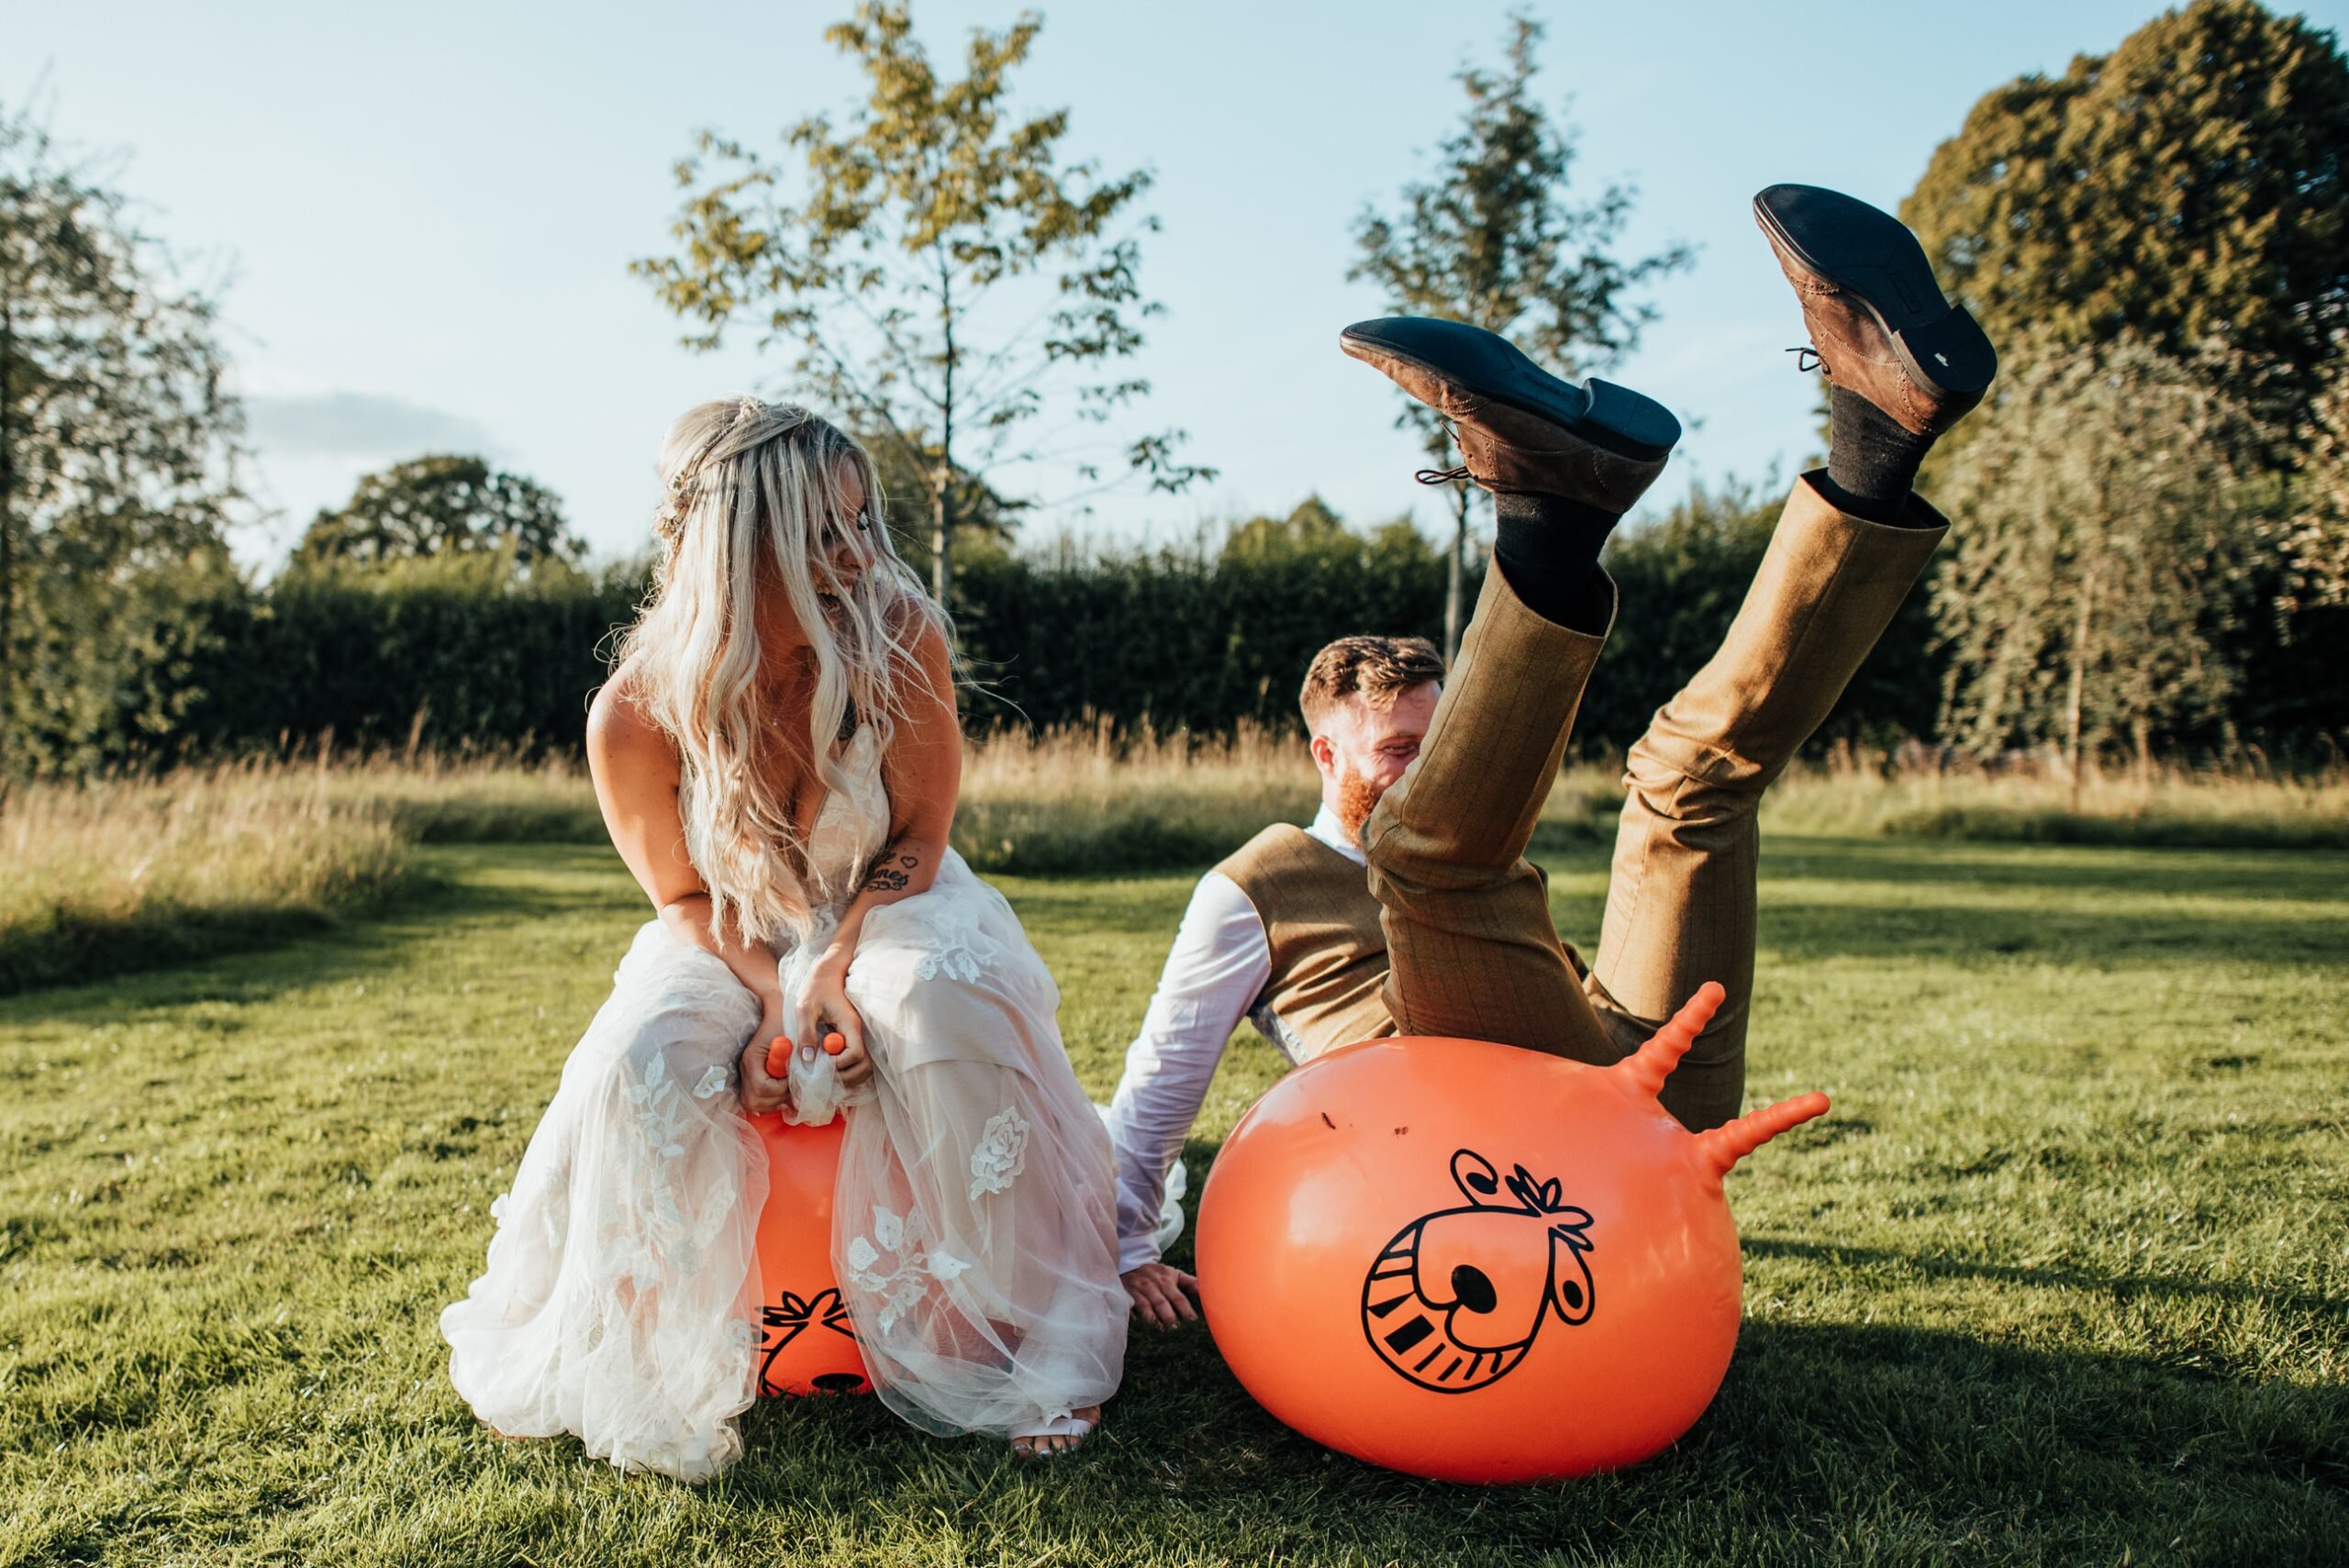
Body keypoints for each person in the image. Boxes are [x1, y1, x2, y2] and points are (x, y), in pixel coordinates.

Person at [1106, 183, 1998, 1329]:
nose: (1426, 768)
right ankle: (1549, 513)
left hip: (1624, 1092)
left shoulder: (1454, 848)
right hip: (1490, 1152)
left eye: (1445, 740)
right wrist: (1131, 1247)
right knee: (1423, 858)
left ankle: (1878, 432)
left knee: (1686, 781)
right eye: (1394, 749)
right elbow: (1153, 1092)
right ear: (1320, 747)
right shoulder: (1254, 883)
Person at [440, 398, 1127, 1475]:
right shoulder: (632, 711)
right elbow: (679, 896)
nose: (857, 554)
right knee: (636, 1057)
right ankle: (645, 1342)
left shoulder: (901, 634)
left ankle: (1028, 1326)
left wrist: (842, 961)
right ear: (732, 542)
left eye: (861, 522)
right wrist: (769, 993)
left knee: (936, 1000)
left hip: (891, 898)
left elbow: (922, 835)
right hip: (731, 924)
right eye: (821, 532)